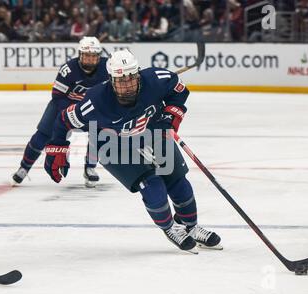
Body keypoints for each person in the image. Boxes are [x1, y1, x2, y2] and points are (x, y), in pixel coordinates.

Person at [43, 49, 222, 251]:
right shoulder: (95, 102)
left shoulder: (156, 79)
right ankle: (170, 228)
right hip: (113, 145)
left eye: (130, 78)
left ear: (138, 73)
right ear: (111, 80)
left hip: (153, 133)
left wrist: (170, 117)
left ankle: (191, 226)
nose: (127, 85)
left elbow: (179, 91)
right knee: (153, 185)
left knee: (177, 181)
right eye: (120, 80)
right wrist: (57, 149)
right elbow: (63, 120)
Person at [12, 36, 108, 188]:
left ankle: (90, 167)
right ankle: (23, 167)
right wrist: (69, 115)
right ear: (80, 55)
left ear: (99, 56)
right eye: (86, 56)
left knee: (100, 132)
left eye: (93, 56)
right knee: (42, 135)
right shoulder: (68, 69)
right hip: (63, 105)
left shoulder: (107, 68)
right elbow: (57, 96)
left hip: (91, 107)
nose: (90, 60)